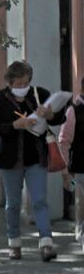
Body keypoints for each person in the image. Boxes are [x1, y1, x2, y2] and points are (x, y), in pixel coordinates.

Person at [0, 60, 65, 262]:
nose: (21, 87)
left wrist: (50, 114)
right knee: (13, 204)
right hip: (9, 159)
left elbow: (59, 119)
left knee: (39, 201)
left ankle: (46, 244)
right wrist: (16, 124)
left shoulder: (39, 94)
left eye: (25, 83)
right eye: (17, 84)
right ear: (10, 82)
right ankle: (14, 244)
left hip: (36, 157)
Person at [58, 81, 84, 251]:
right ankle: (81, 233)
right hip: (80, 168)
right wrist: (65, 171)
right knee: (81, 199)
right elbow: (64, 142)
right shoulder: (73, 111)